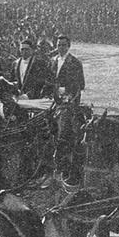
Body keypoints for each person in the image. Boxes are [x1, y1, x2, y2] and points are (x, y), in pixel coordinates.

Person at [49, 35, 85, 191]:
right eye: (58, 45)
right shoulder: (52, 61)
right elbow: (49, 81)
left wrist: (70, 98)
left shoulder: (75, 63)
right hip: (53, 102)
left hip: (68, 105)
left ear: (69, 46)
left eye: (64, 45)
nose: (61, 48)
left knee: (64, 134)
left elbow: (80, 86)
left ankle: (63, 168)